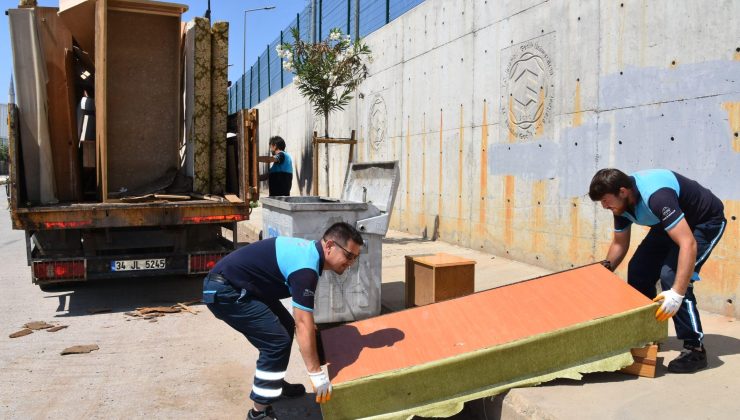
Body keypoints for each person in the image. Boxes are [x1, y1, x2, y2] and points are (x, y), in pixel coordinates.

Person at [203, 222, 364, 420]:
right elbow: (303, 323)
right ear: (329, 245)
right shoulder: (306, 269)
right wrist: (316, 373)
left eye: (355, 258)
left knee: (286, 327)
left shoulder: (309, 256)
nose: (351, 263)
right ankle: (258, 413)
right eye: (349, 255)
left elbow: (303, 320)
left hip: (244, 286)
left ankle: (273, 384)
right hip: (225, 290)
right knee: (276, 341)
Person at [588, 168, 726, 373]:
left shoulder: (657, 197)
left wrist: (677, 294)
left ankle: (695, 349)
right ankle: (648, 335)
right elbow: (619, 244)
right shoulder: (620, 206)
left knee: (673, 277)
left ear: (623, 192)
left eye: (606, 201)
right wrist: (603, 272)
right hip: (669, 222)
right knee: (638, 271)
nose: (604, 206)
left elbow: (688, 243)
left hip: (704, 221)